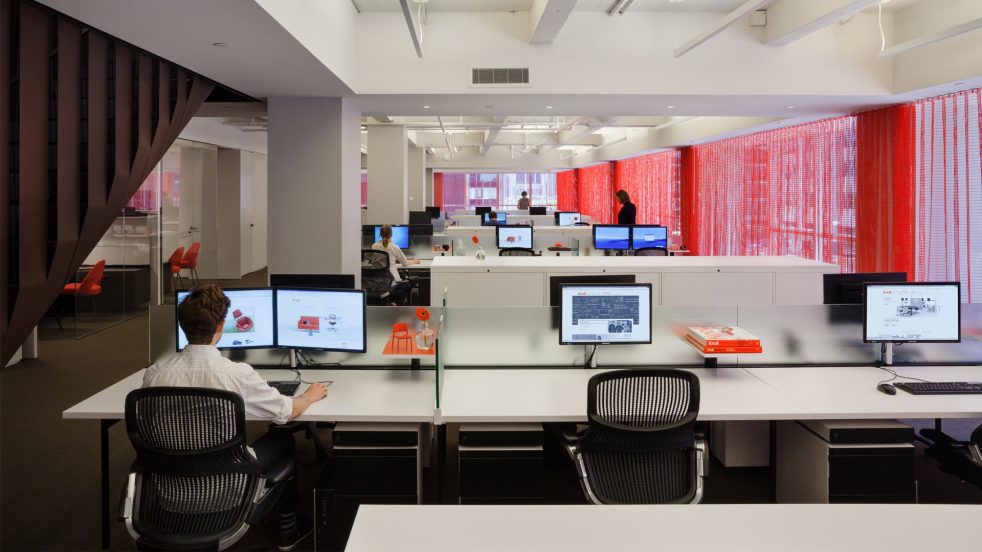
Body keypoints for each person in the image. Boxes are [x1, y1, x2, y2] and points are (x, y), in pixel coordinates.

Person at [143, 284, 328, 551]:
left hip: (170, 494)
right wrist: (308, 396)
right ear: (221, 326)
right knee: (283, 439)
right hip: (227, 491)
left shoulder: (155, 374)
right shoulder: (235, 374)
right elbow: (286, 412)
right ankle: (289, 530)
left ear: (181, 326)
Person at [372, 224, 418, 305]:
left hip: (378, 283)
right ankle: (397, 304)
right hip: (392, 281)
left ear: (380, 234)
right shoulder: (394, 247)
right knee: (407, 284)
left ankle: (392, 302)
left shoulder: (374, 246)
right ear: (391, 234)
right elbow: (405, 264)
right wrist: (414, 261)